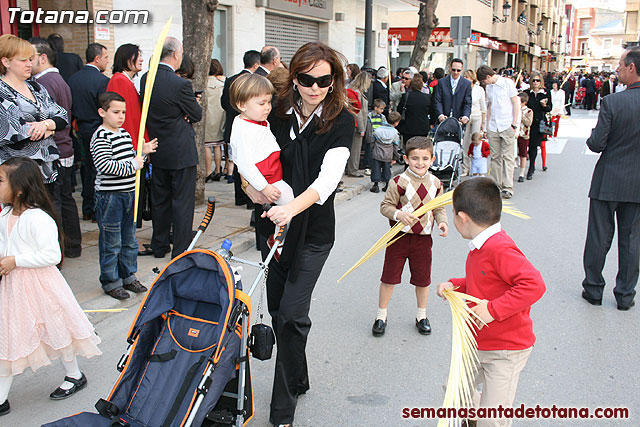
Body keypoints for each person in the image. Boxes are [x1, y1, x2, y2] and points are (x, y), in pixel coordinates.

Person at [243, 42, 354, 427]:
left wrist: (291, 208)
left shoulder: (341, 120)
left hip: (313, 232)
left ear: (333, 80)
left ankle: (282, 413)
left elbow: (327, 181)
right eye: (307, 79)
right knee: (278, 312)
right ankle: (300, 376)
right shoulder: (273, 111)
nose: (315, 87)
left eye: (324, 80)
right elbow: (248, 155)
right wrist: (249, 186)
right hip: (272, 227)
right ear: (294, 76)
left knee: (291, 314)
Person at [437, 178, 545, 426]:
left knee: (493, 418)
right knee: (455, 392)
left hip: (505, 350)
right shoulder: (480, 245)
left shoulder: (499, 248)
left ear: (462, 217)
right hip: (478, 343)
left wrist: (493, 309)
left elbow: (534, 284)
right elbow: (486, 280)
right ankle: (473, 418)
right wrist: (456, 284)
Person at [0, 157, 102, 415]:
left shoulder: (37, 218)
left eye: (1, 180)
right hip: (14, 286)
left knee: (58, 330)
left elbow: (52, 256)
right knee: (10, 337)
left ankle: (75, 375)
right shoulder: (5, 214)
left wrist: (15, 260)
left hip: (41, 285)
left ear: (19, 188)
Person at [582, 47, 640, 312]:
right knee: (631, 240)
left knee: (599, 236)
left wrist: (594, 134)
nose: (617, 69)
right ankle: (625, 295)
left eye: (619, 64)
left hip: (608, 180)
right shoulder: (614, 100)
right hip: (637, 185)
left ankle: (594, 289)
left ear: (631, 67)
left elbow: (596, 144)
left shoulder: (614, 102)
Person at [372, 136, 448, 337]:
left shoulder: (436, 183)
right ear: (406, 158)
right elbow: (385, 206)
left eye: (425, 158)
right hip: (398, 238)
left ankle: (421, 316)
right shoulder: (398, 182)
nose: (420, 163)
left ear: (432, 159)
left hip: (423, 241)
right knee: (389, 278)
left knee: (423, 280)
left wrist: (442, 222)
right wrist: (398, 214)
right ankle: (381, 316)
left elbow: (439, 207)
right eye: (415, 158)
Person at [90, 92, 158, 299]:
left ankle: (128, 275)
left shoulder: (125, 134)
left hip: (129, 193)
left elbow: (134, 161)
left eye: (123, 112)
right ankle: (111, 281)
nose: (121, 116)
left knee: (129, 239)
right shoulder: (100, 136)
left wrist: (143, 152)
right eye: (116, 112)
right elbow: (105, 165)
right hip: (109, 196)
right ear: (102, 112)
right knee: (111, 241)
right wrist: (134, 163)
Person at [140, 37, 202, 259]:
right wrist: (186, 111)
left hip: (158, 148)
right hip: (181, 151)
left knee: (160, 200)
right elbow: (196, 114)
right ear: (176, 55)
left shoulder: (146, 78)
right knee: (182, 202)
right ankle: (180, 250)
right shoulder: (181, 84)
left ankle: (159, 245)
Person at [29, 37, 82, 259]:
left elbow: (55, 118)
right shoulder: (58, 79)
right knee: (65, 199)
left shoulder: (45, 83)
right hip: (64, 148)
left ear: (42, 57)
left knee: (55, 202)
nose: (26, 63)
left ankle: (59, 250)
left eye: (29, 58)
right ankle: (72, 246)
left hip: (56, 149)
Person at [0, 35, 68, 185]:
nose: (29, 64)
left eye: (30, 59)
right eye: (23, 60)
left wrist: (45, 125)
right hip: (17, 175)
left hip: (47, 170)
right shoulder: (2, 91)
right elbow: (17, 130)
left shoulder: (36, 87)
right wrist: (50, 129)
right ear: (6, 62)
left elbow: (62, 116)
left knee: (52, 208)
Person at [229, 73, 294, 207]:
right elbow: (244, 164)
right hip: (268, 178)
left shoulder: (255, 120)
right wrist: (264, 187)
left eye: (269, 102)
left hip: (273, 173)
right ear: (242, 105)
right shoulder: (244, 129)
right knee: (290, 206)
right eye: (262, 103)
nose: (267, 107)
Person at [68, 42, 109, 221]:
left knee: (86, 169)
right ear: (97, 58)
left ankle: (87, 208)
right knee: (98, 170)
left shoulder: (73, 79)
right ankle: (96, 210)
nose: (108, 61)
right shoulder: (102, 81)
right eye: (106, 57)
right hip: (97, 128)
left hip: (80, 129)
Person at [221, 50, 260, 199]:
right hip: (249, 127)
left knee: (237, 160)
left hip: (232, 126)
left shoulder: (230, 79)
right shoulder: (254, 81)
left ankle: (239, 196)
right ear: (256, 65)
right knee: (249, 162)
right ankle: (249, 199)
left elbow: (224, 104)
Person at [477, 65, 519, 199]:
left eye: (484, 81)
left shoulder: (507, 83)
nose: (484, 84)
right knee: (495, 157)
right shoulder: (489, 88)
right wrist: (487, 126)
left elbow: (515, 103)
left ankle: (507, 187)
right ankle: (496, 185)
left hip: (506, 124)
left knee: (507, 157)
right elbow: (489, 106)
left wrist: (514, 124)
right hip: (494, 126)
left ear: (488, 77)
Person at [524, 71, 552, 178]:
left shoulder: (545, 93)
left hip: (539, 122)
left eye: (538, 80)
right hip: (528, 122)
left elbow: (550, 108)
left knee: (534, 145)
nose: (535, 82)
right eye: (534, 80)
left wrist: (544, 105)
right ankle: (530, 165)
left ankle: (531, 167)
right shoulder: (527, 92)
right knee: (527, 145)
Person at [204, 59, 226, 182]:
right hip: (219, 117)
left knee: (207, 146)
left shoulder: (203, 83)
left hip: (207, 117)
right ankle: (218, 170)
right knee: (217, 145)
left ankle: (208, 172)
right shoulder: (221, 83)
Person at [462, 69, 487, 176]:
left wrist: (483, 122)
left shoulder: (479, 89)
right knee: (466, 142)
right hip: (466, 117)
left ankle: (476, 167)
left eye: (467, 77)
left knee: (476, 142)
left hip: (477, 116)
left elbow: (483, 106)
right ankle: (465, 168)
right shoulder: (462, 88)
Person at [346, 71, 371, 177]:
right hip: (357, 126)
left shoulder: (356, 92)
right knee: (355, 149)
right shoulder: (357, 93)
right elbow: (358, 111)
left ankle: (351, 169)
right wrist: (361, 128)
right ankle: (353, 170)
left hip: (356, 125)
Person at [370, 111, 401, 193]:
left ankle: (376, 185)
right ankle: (386, 185)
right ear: (397, 123)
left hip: (377, 153)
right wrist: (396, 157)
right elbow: (395, 146)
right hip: (388, 155)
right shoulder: (395, 133)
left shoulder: (377, 130)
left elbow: (372, 141)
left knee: (376, 169)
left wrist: (372, 150)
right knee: (387, 169)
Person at [433, 58, 472, 126]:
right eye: (453, 70)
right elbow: (437, 100)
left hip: (459, 120)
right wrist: (440, 115)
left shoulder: (466, 84)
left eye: (458, 70)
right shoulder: (442, 82)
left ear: (462, 69)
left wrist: (465, 116)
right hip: (443, 120)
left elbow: (467, 102)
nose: (455, 72)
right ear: (450, 68)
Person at [397, 74, 431, 146]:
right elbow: (432, 112)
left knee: (408, 147)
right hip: (422, 127)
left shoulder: (406, 96)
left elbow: (399, 109)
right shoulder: (427, 98)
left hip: (408, 127)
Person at [516, 92, 533, 183]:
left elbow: (528, 123)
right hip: (515, 134)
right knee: (514, 153)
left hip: (523, 134)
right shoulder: (514, 109)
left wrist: (521, 116)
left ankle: (522, 173)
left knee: (523, 154)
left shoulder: (529, 111)